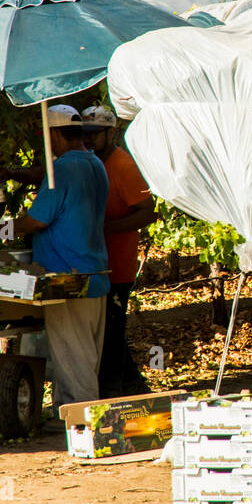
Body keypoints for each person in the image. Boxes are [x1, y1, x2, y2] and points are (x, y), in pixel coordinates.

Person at [0, 104, 111, 412]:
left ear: (56, 135)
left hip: (67, 277)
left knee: (73, 357)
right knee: (83, 354)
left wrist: (2, 228)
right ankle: (68, 412)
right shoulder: (95, 164)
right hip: (95, 272)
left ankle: (85, 420)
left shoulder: (61, 169)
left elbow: (36, 220)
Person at [81, 104, 155, 398]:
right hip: (96, 262)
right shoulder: (91, 162)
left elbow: (148, 212)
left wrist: (107, 228)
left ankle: (113, 393)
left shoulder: (123, 166)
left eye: (94, 134)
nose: (88, 139)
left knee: (111, 332)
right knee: (109, 332)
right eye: (84, 134)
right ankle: (135, 388)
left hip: (118, 266)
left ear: (112, 132)